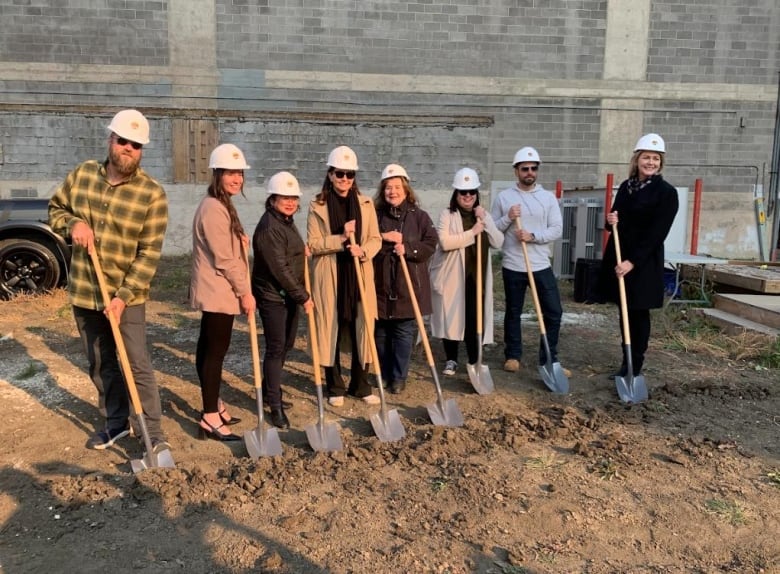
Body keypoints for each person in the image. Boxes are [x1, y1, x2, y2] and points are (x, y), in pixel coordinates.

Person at [48, 109, 170, 453]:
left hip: (126, 296)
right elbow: (55, 209)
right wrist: (72, 223)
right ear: (110, 140)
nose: (128, 148)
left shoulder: (152, 194)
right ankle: (115, 423)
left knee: (136, 364)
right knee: (100, 362)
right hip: (86, 291)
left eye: (136, 144)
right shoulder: (83, 175)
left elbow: (149, 254)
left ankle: (154, 436)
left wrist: (123, 297)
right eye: (123, 141)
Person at [307, 146, 382, 407]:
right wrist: (340, 237)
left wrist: (364, 251)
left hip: (358, 273)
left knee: (363, 327)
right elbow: (313, 244)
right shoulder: (317, 206)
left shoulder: (366, 204)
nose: (345, 179)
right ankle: (335, 386)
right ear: (330, 175)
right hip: (330, 276)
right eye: (339, 174)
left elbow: (375, 238)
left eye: (350, 175)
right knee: (331, 328)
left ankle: (361, 385)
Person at [599, 133, 679, 379]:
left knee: (638, 313)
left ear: (661, 162)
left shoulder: (666, 193)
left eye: (656, 158)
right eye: (646, 157)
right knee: (625, 311)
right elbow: (614, 222)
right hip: (620, 259)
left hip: (642, 264)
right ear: (637, 159)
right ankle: (626, 362)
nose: (651, 162)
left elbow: (657, 233)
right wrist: (610, 219)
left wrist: (632, 262)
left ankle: (635, 365)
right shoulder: (626, 187)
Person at [190, 143, 255, 442]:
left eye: (239, 173)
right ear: (217, 174)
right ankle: (210, 417)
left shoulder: (219, 204)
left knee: (208, 349)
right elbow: (224, 259)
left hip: (216, 289)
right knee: (215, 352)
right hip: (219, 291)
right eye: (230, 172)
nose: (237, 178)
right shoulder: (214, 208)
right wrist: (245, 292)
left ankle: (212, 403)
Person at [490, 146, 570, 376]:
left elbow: (556, 229)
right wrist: (508, 217)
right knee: (513, 312)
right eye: (524, 168)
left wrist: (533, 237)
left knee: (553, 312)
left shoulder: (547, 198)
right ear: (516, 171)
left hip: (540, 265)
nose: (529, 172)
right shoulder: (505, 198)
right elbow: (493, 231)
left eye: (533, 168)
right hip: (513, 265)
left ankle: (549, 359)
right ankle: (513, 355)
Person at [252, 171, 314, 428]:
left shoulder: (285, 221)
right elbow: (280, 268)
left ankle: (270, 390)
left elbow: (288, 253)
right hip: (273, 295)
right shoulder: (269, 228)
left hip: (287, 294)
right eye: (284, 197)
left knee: (287, 343)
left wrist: (301, 250)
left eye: (293, 198)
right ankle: (274, 406)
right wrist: (304, 297)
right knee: (277, 347)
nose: (290, 202)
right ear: (273, 199)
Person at [429, 167, 503, 377]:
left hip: (476, 276)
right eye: (463, 192)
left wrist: (486, 220)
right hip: (453, 276)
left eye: (471, 192)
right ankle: (451, 359)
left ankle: (474, 360)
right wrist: (472, 233)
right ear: (456, 194)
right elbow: (444, 242)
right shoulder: (447, 214)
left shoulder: (483, 217)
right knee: (451, 317)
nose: (468, 196)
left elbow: (499, 241)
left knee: (474, 318)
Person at [373, 164, 438, 394]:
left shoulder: (419, 217)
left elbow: (431, 243)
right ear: (383, 191)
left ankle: (399, 377)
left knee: (402, 332)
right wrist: (383, 237)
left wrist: (409, 248)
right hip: (380, 284)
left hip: (408, 284)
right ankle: (382, 372)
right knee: (380, 332)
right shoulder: (375, 215)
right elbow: (366, 240)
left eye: (397, 187)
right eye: (388, 187)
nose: (393, 191)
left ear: (406, 189)